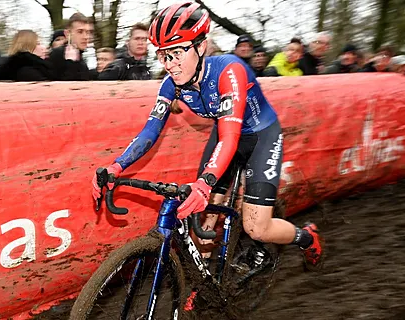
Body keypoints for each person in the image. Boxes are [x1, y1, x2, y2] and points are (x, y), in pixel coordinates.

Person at [91, 2, 325, 273]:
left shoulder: (229, 70)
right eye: (163, 55)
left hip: (260, 136)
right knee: (205, 221)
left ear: (201, 46)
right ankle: (202, 282)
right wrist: (115, 166)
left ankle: (307, 238)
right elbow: (150, 130)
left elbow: (231, 136)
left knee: (256, 227)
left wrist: (206, 182)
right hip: (225, 133)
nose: (170, 65)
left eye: (177, 52)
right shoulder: (171, 85)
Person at [47, 13, 93, 81]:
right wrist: (71, 64)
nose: (86, 37)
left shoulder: (81, 59)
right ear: (67, 34)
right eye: (80, 32)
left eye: (88, 32)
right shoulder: (56, 55)